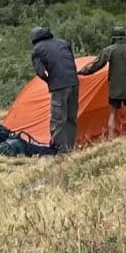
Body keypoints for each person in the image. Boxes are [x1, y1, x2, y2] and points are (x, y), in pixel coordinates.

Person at [30, 24, 79, 155]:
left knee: (58, 119)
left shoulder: (37, 49)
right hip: (74, 82)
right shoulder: (63, 43)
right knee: (71, 117)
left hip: (58, 86)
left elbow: (40, 72)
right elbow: (71, 60)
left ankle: (60, 151)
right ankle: (70, 148)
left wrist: (49, 80)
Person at [95, 30, 126, 137]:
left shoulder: (109, 50)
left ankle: (111, 138)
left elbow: (97, 65)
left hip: (115, 89)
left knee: (112, 113)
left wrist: (83, 71)